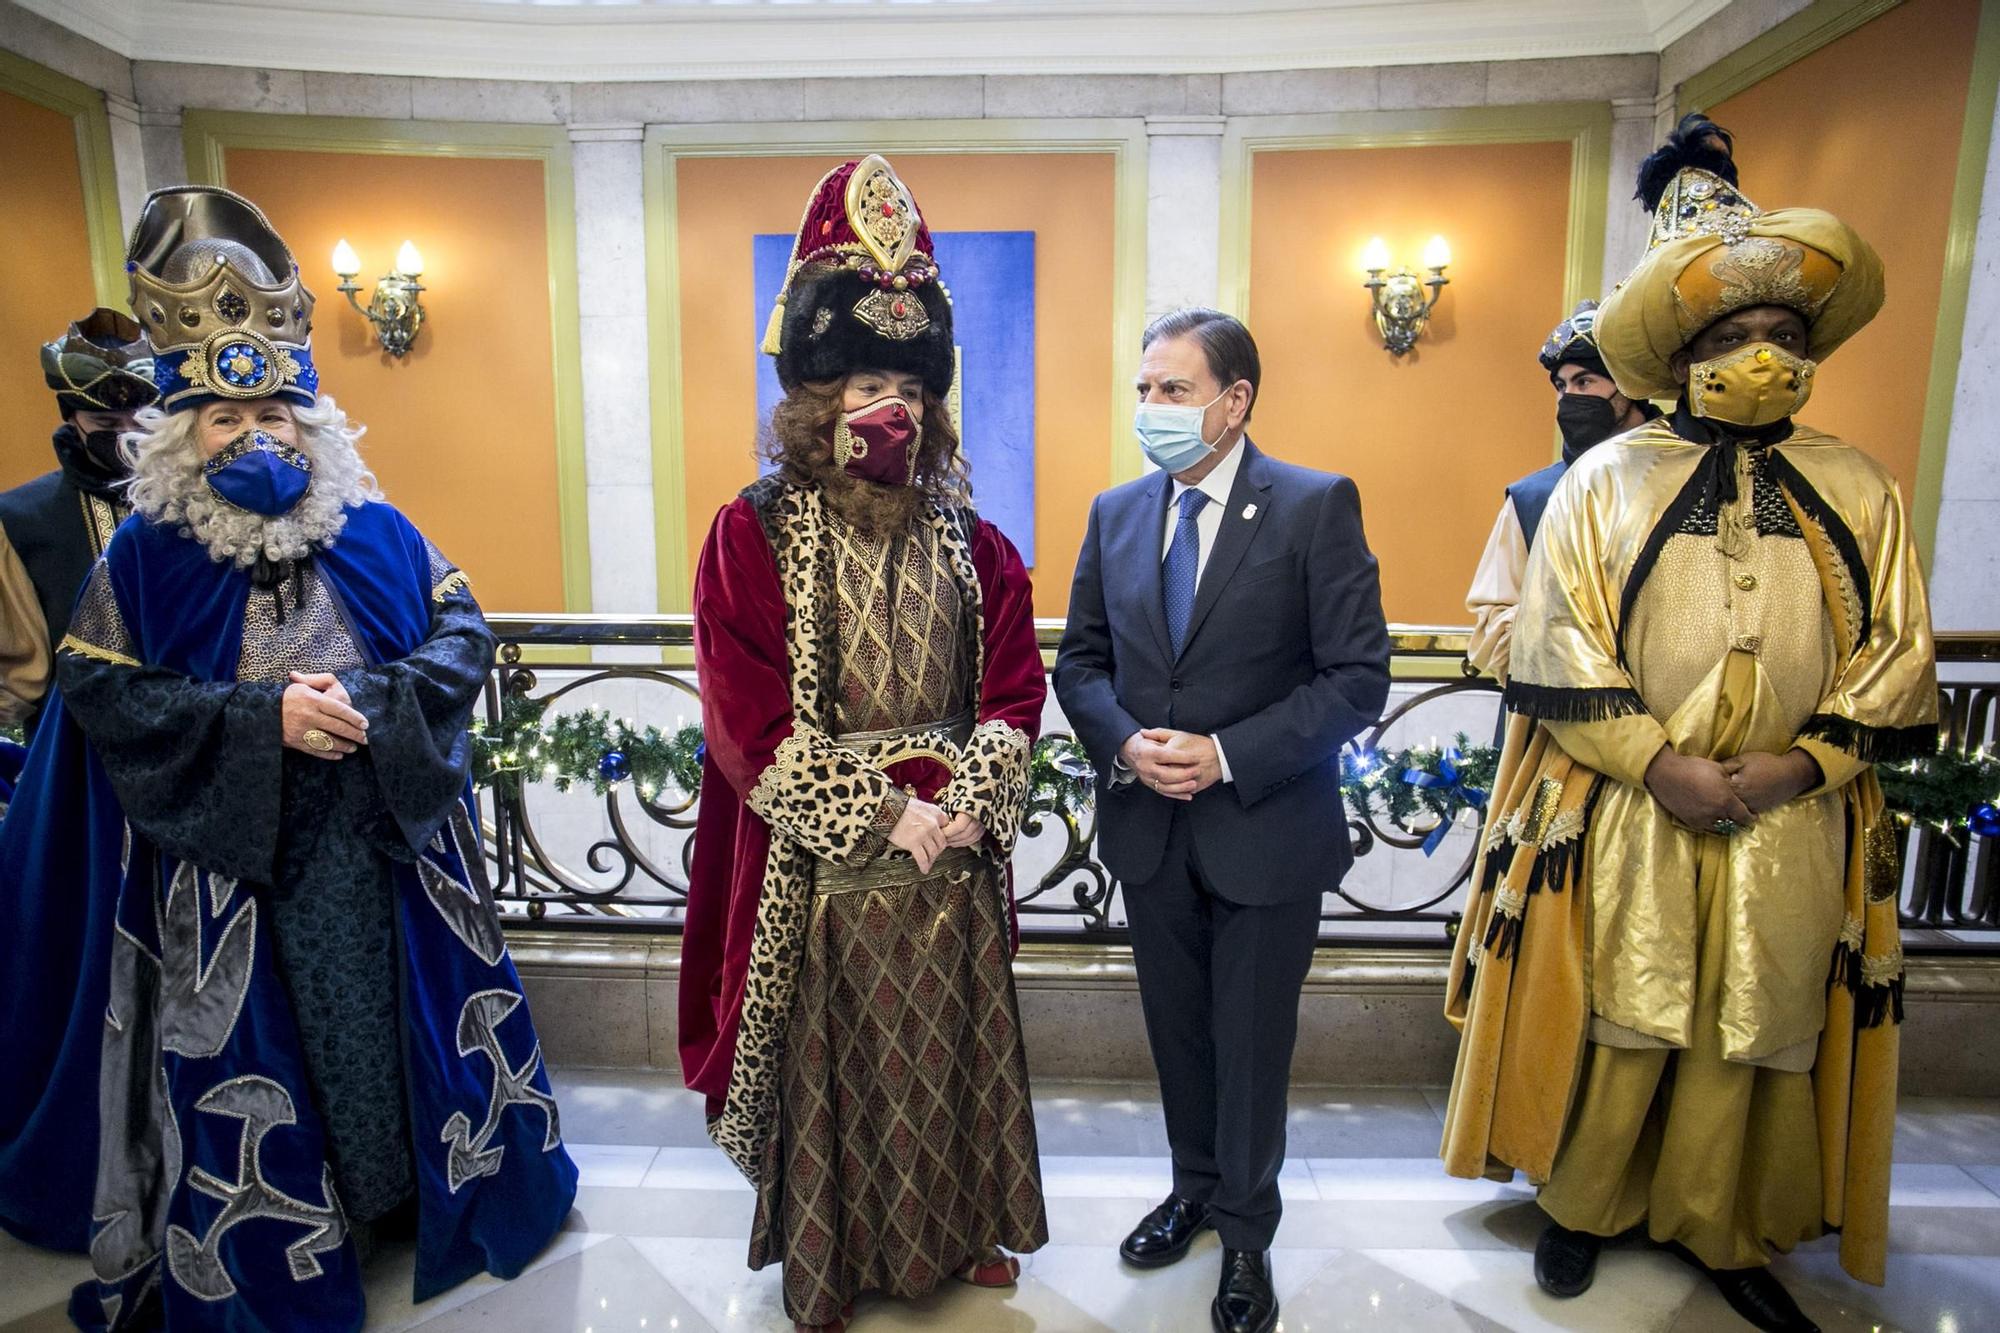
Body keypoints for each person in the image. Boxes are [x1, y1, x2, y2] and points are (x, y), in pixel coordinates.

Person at [10, 185, 576, 1329]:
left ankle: (411, 1195)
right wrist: (255, 721)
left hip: (386, 853)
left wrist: (367, 699)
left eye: (272, 411)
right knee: (278, 1050)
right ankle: (296, 1228)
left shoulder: (381, 528)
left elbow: (462, 632)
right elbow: (100, 689)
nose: (255, 435)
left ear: (308, 421)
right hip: (233, 871)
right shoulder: (142, 563)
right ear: (181, 435)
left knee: (395, 1030)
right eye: (226, 420)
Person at [1440, 116, 1937, 1333]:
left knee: (1753, 1022)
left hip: (1792, 807)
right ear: (1680, 351)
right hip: (1637, 799)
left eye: (1778, 335)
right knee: (1628, 1003)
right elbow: (1557, 641)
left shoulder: (1859, 485)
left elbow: (1894, 652)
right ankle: (1583, 1206)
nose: (1759, 355)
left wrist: (1805, 759)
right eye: (1730, 335)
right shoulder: (1606, 482)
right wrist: (1655, 762)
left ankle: (1724, 1225)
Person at [678, 155, 1048, 1333]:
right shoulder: (749, 531)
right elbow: (746, 725)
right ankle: (827, 1267)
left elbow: (1013, 690)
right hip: (822, 871)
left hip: (953, 860)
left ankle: (961, 1232)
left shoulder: (972, 537)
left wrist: (969, 805)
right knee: (843, 1077)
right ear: (811, 394)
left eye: (904, 380)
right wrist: (886, 813)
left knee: (948, 1065)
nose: (882, 404)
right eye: (857, 378)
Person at [1053, 307, 1390, 1333]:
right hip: (1149, 830)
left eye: (1173, 389)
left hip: (1265, 830)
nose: (1151, 407)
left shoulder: (1311, 505)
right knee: (1180, 1037)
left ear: (1232, 400)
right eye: (1143, 388)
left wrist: (1227, 752)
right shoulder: (1115, 511)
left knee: (1249, 1044)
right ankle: (1193, 1189)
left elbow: (1355, 678)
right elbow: (1080, 661)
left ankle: (1246, 1238)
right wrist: (1124, 742)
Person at [1465, 300, 1657, 682]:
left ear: (1628, 386)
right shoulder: (1532, 497)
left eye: (1584, 382)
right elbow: (1494, 620)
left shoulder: (1686, 474)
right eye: (1561, 385)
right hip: (1553, 709)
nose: (1569, 397)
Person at [0, 310, 158, 743]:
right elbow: (20, 678)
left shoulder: (200, 503)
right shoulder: (19, 519)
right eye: (106, 426)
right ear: (72, 419)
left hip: (195, 734)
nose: (126, 436)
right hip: (77, 742)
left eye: (141, 423)